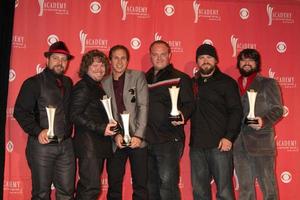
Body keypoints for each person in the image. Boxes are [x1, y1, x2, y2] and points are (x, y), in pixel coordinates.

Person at [13, 41, 75, 199]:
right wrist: (38, 131)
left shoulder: (68, 83)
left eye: (64, 59)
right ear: (47, 60)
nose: (60, 63)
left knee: (67, 194)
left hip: (66, 146)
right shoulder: (33, 83)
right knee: (41, 194)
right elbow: (20, 112)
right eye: (56, 58)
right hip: (42, 147)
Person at [190, 43, 242, 200]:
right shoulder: (192, 83)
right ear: (197, 62)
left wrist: (229, 137)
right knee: (199, 192)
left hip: (220, 145)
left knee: (224, 192)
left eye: (209, 57)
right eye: (201, 57)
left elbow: (236, 111)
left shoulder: (227, 82)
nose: (205, 61)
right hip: (197, 146)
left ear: (216, 60)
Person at [145, 40, 194, 200]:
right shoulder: (143, 78)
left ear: (170, 55)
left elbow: (190, 104)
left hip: (169, 140)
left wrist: (182, 115)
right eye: (155, 54)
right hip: (147, 141)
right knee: (151, 187)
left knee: (168, 188)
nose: (159, 58)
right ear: (150, 56)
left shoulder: (181, 78)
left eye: (163, 54)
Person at [233, 48, 283, 200]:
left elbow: (278, 110)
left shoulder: (268, 83)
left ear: (257, 63)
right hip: (239, 145)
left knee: (269, 189)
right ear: (239, 63)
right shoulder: (233, 86)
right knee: (245, 190)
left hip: (262, 144)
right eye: (243, 60)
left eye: (251, 60)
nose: (246, 63)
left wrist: (264, 121)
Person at [101, 45, 149, 200]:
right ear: (110, 60)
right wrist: (115, 136)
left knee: (141, 186)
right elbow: (104, 114)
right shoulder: (103, 82)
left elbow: (143, 106)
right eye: (116, 58)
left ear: (128, 60)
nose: (119, 62)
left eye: (123, 58)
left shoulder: (138, 76)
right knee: (114, 185)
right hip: (116, 141)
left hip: (137, 140)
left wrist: (139, 136)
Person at [70, 49, 117, 199]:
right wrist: (101, 127)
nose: (99, 69)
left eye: (102, 65)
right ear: (86, 67)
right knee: (89, 189)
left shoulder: (96, 86)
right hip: (89, 146)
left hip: (96, 145)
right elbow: (74, 115)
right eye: (94, 65)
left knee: (90, 189)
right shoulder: (83, 86)